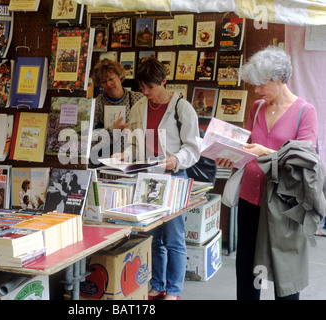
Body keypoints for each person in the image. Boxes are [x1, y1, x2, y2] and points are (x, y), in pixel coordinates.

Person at [216, 46, 318, 300]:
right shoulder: (257, 108)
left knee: (285, 267)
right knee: (248, 265)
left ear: (280, 79)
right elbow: (246, 145)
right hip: (251, 197)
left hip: (284, 203)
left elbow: (305, 160)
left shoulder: (306, 112)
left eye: (261, 84)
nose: (256, 90)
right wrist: (231, 155)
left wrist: (266, 152)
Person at [118, 57, 200, 300]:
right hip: (147, 178)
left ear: (164, 82)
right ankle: (157, 284)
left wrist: (176, 160)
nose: (145, 92)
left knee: (174, 238)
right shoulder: (138, 108)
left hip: (175, 177)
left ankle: (173, 291)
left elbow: (193, 148)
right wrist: (123, 155)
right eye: (142, 87)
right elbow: (134, 145)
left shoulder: (182, 108)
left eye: (150, 87)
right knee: (151, 235)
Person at [90, 59, 144, 164]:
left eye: (111, 79)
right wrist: (112, 131)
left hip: (133, 161)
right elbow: (90, 141)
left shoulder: (138, 98)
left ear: (119, 76)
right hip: (106, 161)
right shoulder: (97, 104)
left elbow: (148, 130)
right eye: (103, 81)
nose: (108, 84)